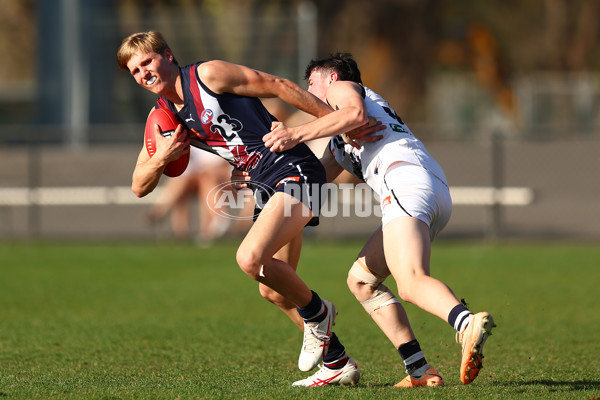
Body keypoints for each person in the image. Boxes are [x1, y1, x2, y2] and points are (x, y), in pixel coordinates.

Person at [117, 32, 362, 386]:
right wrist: (163, 159)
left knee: (249, 258)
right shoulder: (163, 116)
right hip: (263, 183)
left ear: (168, 56)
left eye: (147, 62)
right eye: (135, 70)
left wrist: (338, 123)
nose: (143, 73)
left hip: (291, 166)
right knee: (274, 290)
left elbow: (276, 84)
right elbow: (139, 185)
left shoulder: (208, 74)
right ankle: (338, 361)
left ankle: (319, 312)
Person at [262, 53, 496, 386]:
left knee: (411, 281)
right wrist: (270, 190)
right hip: (424, 186)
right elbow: (311, 184)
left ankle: (466, 323)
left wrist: (295, 134)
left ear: (328, 77)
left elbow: (353, 113)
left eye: (311, 82)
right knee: (361, 280)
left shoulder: (342, 89)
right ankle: (419, 370)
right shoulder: (339, 141)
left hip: (406, 182)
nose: (308, 92)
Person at [147, 147, 232, 244]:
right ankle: (182, 232)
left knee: (205, 178)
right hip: (195, 177)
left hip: (218, 178)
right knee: (182, 181)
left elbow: (223, 166)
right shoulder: (193, 141)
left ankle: (161, 209)